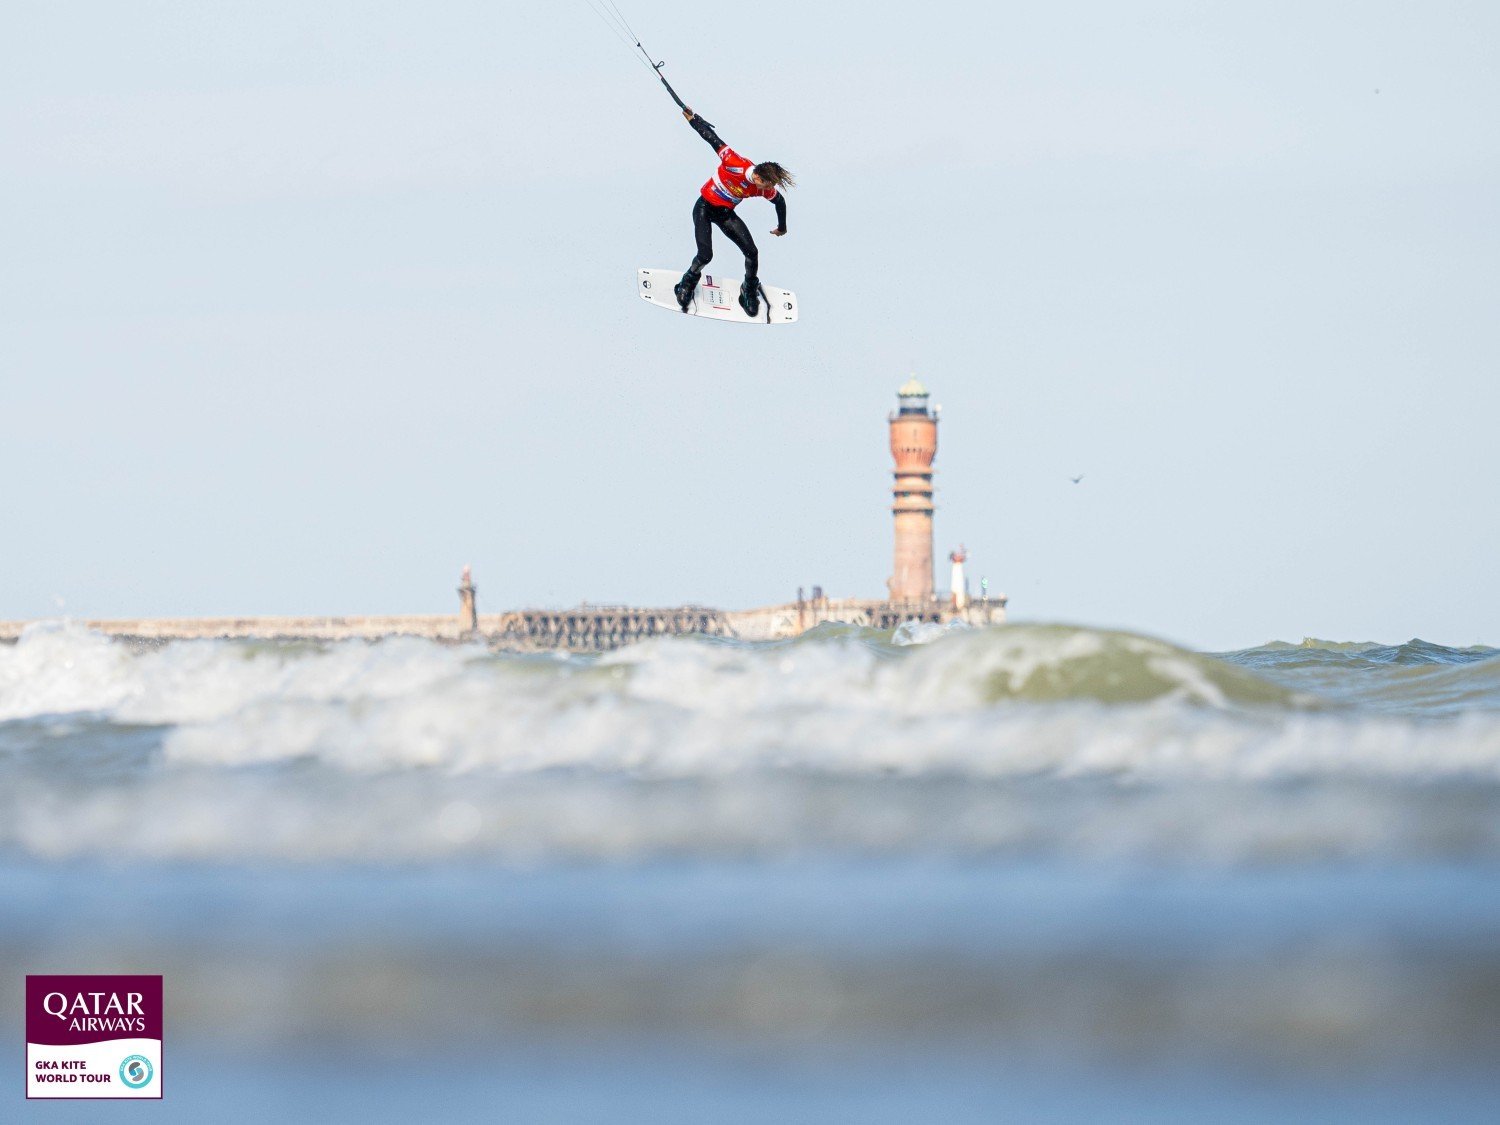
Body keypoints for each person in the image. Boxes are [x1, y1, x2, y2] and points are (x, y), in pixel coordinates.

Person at [674, 107, 793, 317]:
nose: (769, 189)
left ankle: (748, 289)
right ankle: (687, 281)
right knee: (705, 255)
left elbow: (780, 202)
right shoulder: (735, 163)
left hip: (724, 213)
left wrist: (782, 227)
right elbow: (713, 139)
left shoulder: (762, 188)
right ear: (759, 178)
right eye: (768, 184)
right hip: (704, 207)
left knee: (752, 253)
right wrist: (694, 119)